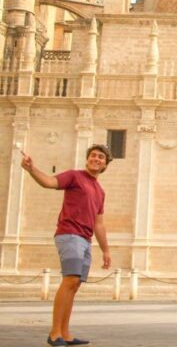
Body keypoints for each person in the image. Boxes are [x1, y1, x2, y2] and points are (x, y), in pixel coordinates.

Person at [21, 144, 112, 347]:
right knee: (70, 280)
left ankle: (65, 333)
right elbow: (49, 182)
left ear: (105, 164)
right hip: (70, 234)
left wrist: (106, 250)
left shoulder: (100, 191)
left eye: (100, 157)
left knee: (74, 284)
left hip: (86, 239)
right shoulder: (74, 176)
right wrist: (31, 169)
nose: (96, 159)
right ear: (87, 159)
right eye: (93, 155)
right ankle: (55, 334)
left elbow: (99, 224)